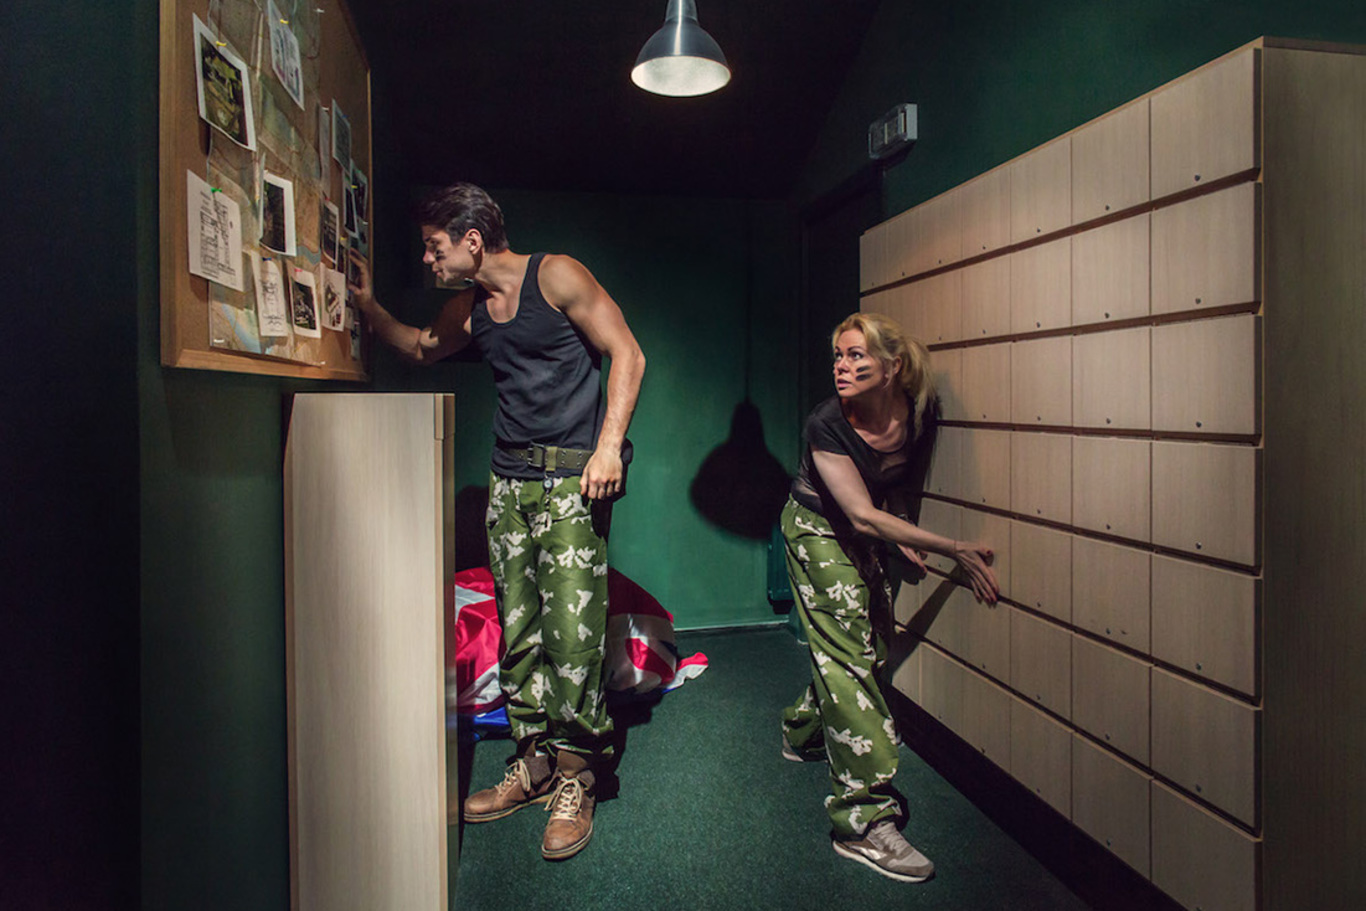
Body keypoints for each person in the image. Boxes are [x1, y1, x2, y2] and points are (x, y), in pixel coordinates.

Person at [349, 183, 646, 861]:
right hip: (508, 484)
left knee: (572, 633)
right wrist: (368, 308)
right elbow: (420, 347)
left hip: (572, 480)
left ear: (473, 240)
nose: (429, 259)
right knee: (519, 628)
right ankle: (534, 761)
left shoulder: (557, 276)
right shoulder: (469, 309)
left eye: (435, 247)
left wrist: (608, 447)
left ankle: (578, 774)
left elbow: (629, 354)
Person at [780, 311, 998, 883]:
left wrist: (902, 525)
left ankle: (801, 730)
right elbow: (859, 514)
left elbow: (893, 483)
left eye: (856, 355)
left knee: (871, 649)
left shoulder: (917, 412)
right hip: (817, 530)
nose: (841, 366)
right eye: (838, 355)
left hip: (867, 532)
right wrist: (951, 546)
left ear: (891, 366)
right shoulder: (827, 422)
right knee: (849, 660)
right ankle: (862, 822)